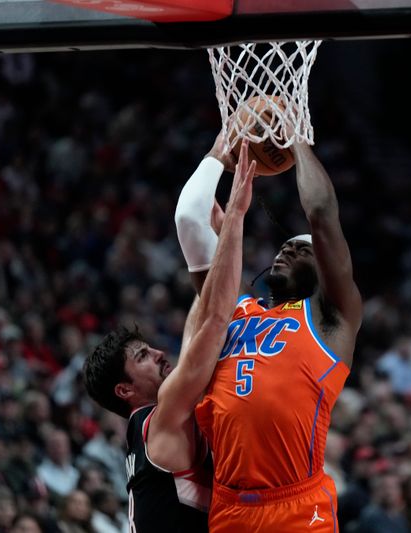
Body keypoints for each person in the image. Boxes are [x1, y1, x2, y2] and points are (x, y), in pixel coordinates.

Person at [82, 138, 256, 532]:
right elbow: (214, 320)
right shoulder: (161, 420)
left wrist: (210, 256)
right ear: (124, 391)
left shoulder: (154, 422)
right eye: (142, 356)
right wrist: (233, 220)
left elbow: (204, 317)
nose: (160, 353)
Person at [194, 141, 363, 531]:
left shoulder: (330, 317)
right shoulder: (235, 313)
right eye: (283, 247)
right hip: (228, 504)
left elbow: (320, 213)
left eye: (298, 251)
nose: (283, 252)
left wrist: (297, 140)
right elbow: (192, 226)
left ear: (323, 270)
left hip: (296, 505)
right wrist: (218, 159)